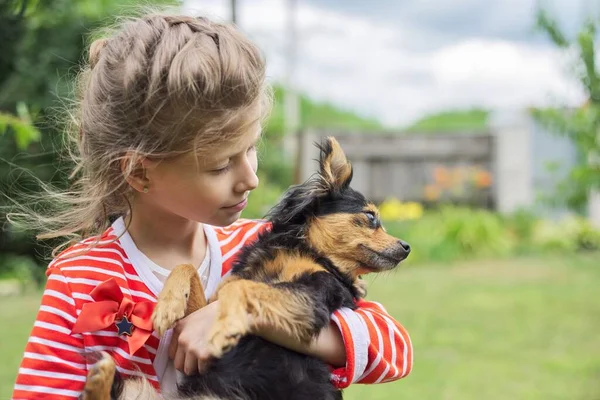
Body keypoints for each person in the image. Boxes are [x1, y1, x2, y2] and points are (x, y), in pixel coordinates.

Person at [11, 11, 413, 399]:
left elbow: (394, 350)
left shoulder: (262, 245)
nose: (250, 178)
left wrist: (250, 312)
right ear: (140, 173)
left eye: (251, 149)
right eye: (221, 165)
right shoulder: (79, 278)